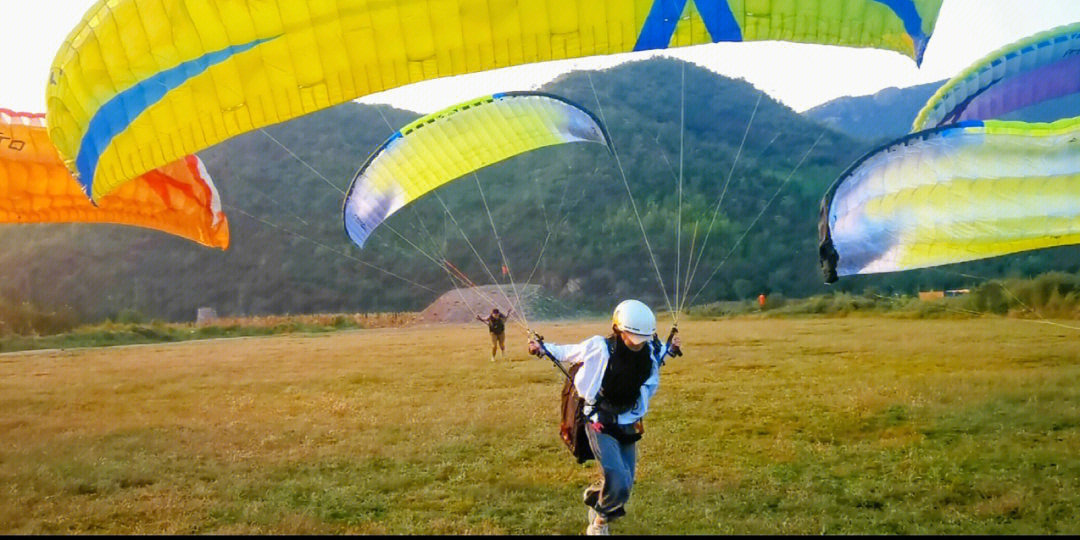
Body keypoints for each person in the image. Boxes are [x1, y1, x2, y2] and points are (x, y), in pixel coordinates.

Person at [528, 299, 682, 536]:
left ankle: (596, 495)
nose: (638, 344)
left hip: (628, 420)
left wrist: (670, 348)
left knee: (626, 484)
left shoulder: (650, 348)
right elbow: (569, 352)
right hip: (600, 420)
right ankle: (599, 523)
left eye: (643, 338)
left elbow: (659, 354)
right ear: (619, 329)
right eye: (633, 337)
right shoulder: (600, 347)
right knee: (618, 479)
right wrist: (542, 347)